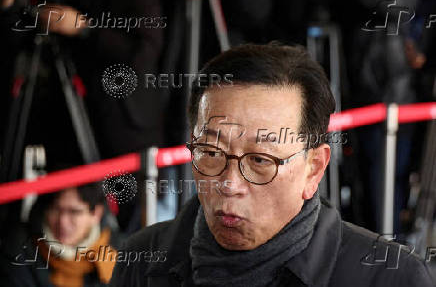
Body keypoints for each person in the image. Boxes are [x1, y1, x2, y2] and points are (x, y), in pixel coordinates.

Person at [109, 44, 435, 286]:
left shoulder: (390, 277)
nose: (229, 184)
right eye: (210, 152)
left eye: (260, 160)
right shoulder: (143, 259)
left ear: (314, 168)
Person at [0, 183, 120, 286]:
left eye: (74, 212)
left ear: (96, 214)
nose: (63, 222)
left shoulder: (119, 250)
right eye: (55, 209)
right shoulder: (21, 247)